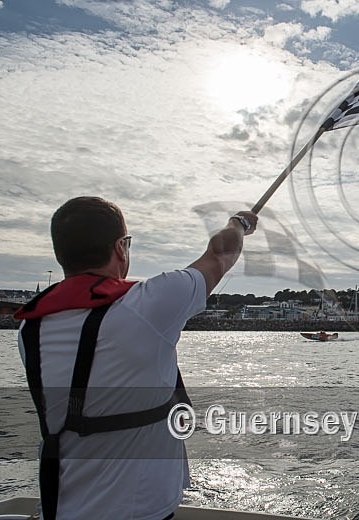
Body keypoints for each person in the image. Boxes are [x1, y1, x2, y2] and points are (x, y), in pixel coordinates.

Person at [15, 196, 258, 520]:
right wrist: (239, 223)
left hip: (61, 509)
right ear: (120, 248)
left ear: (61, 255)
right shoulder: (148, 306)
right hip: (139, 513)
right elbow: (219, 255)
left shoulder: (30, 329)